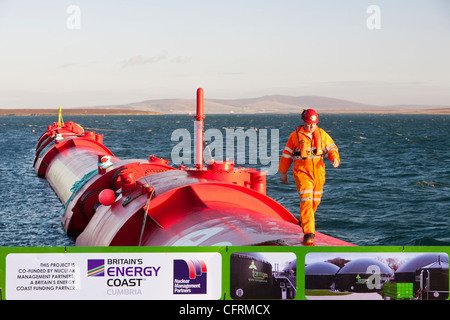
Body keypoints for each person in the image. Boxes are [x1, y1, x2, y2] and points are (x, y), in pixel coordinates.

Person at [278, 109, 340, 245]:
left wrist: (334, 158)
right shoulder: (294, 137)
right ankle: (309, 233)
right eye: (308, 124)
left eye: (314, 124)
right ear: (304, 122)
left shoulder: (322, 135)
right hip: (302, 172)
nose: (311, 127)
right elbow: (287, 155)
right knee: (307, 199)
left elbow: (332, 148)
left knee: (315, 202)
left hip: (318, 173)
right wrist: (283, 172)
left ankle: (303, 219)